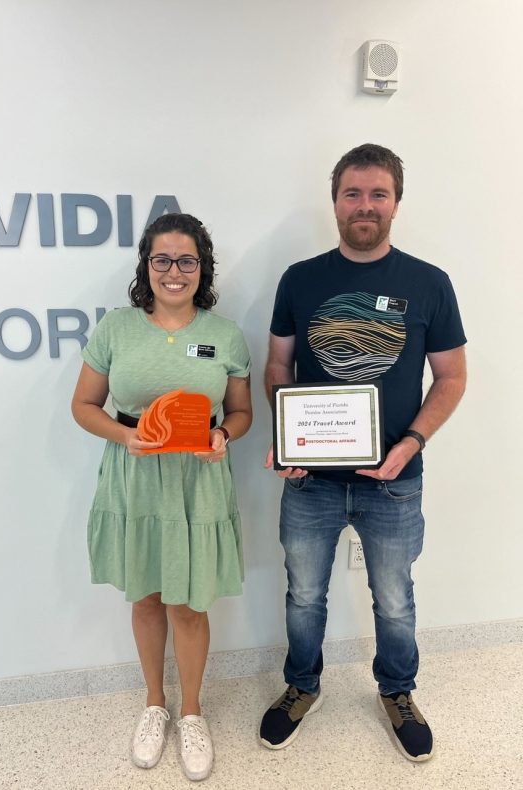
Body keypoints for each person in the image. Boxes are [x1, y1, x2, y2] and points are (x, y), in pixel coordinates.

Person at [259, 144, 467, 762]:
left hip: (394, 480)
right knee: (302, 593)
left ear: (397, 202)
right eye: (353, 193)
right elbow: (276, 366)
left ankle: (398, 692)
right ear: (335, 202)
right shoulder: (300, 279)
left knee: (395, 596)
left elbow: (451, 379)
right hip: (311, 480)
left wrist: (411, 443)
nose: (365, 205)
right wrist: (285, 433)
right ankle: (301, 686)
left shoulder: (429, 283)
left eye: (378, 193)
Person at [71, 213, 252, 781]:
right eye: (162, 260)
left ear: (203, 267)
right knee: (147, 597)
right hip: (136, 477)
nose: (174, 272)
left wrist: (224, 435)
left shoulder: (224, 335)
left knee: (190, 603)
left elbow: (243, 412)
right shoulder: (117, 328)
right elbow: (83, 406)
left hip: (198, 480)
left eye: (187, 260)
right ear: (146, 267)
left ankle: (191, 712)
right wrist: (127, 436)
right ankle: (156, 704)